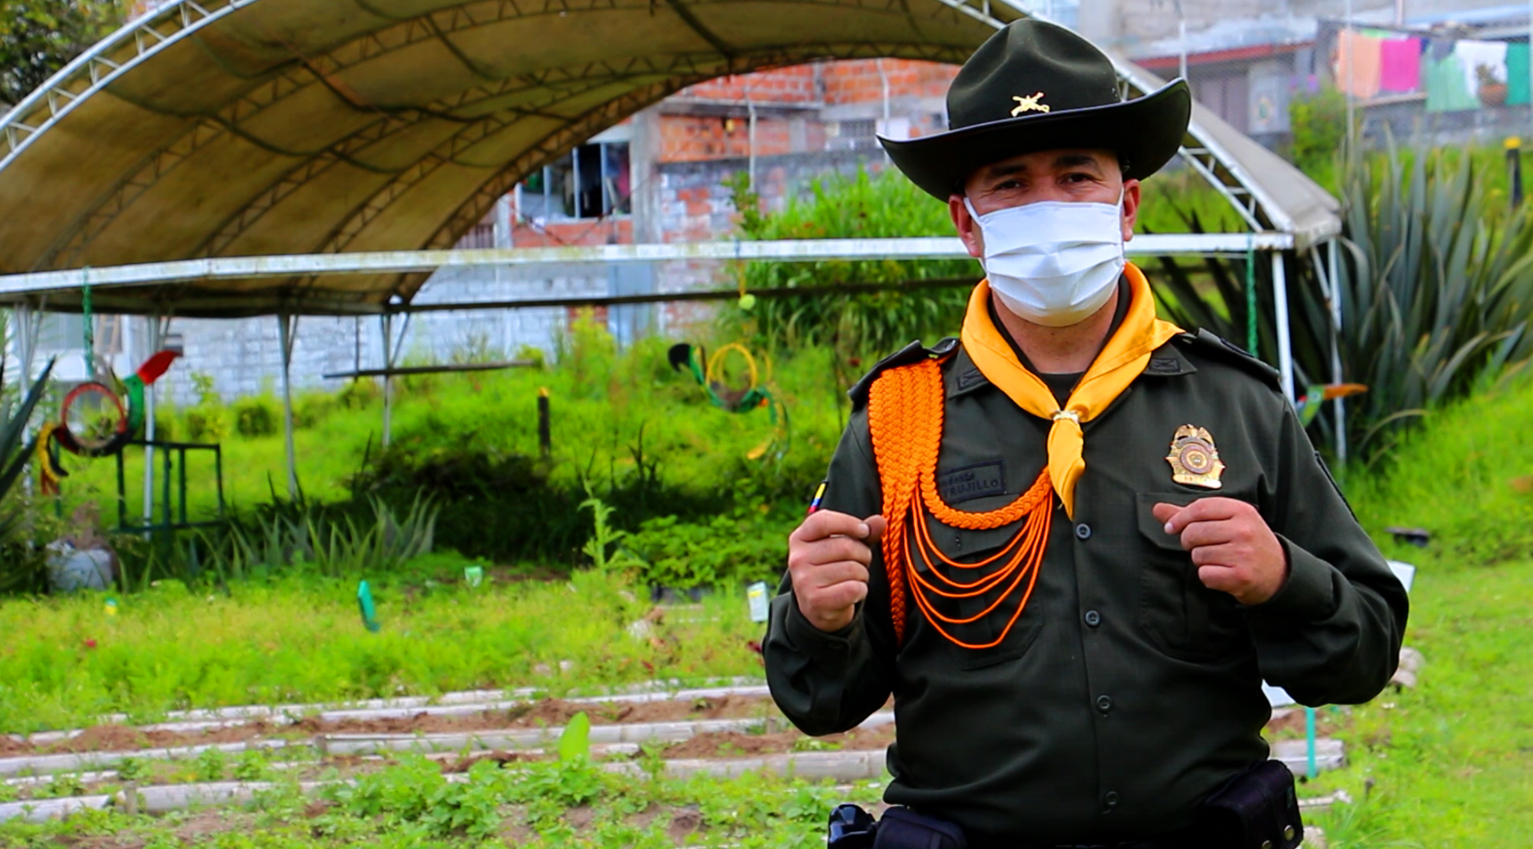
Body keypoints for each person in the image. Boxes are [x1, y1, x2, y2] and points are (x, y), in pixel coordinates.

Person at [763, 19, 1408, 849]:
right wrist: (818, 617)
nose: (1048, 206)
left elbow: (1365, 653)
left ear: (1125, 204)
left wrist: (1283, 577)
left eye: (1075, 176)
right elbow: (819, 702)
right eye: (1010, 183)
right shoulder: (897, 419)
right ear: (967, 223)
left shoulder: (1235, 405)